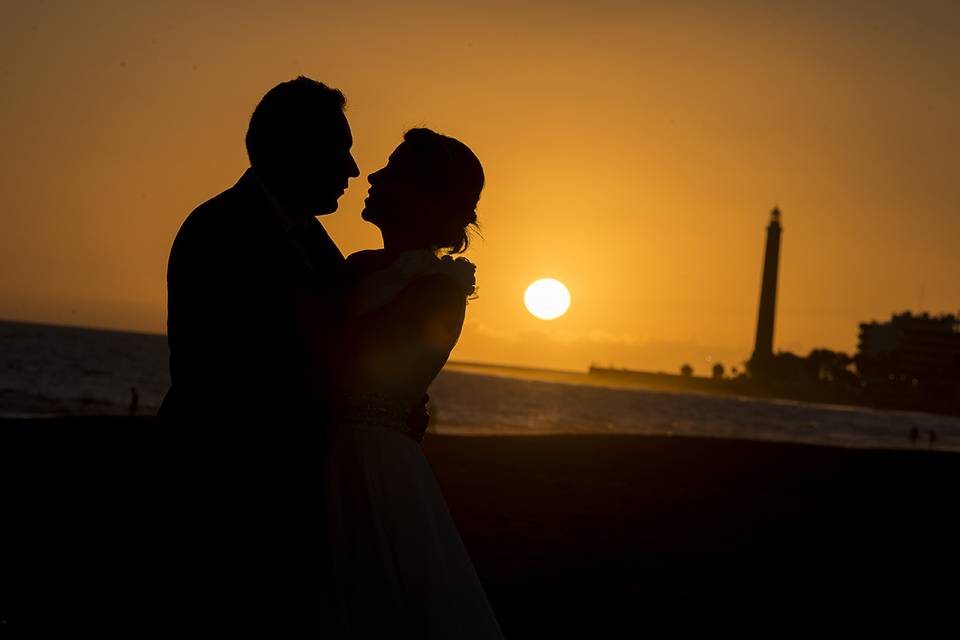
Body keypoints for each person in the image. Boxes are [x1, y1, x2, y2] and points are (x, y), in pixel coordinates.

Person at [325, 128, 504, 638]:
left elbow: (351, 360)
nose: (375, 176)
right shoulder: (355, 266)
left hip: (372, 460)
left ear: (425, 200)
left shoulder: (437, 291)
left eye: (394, 170)